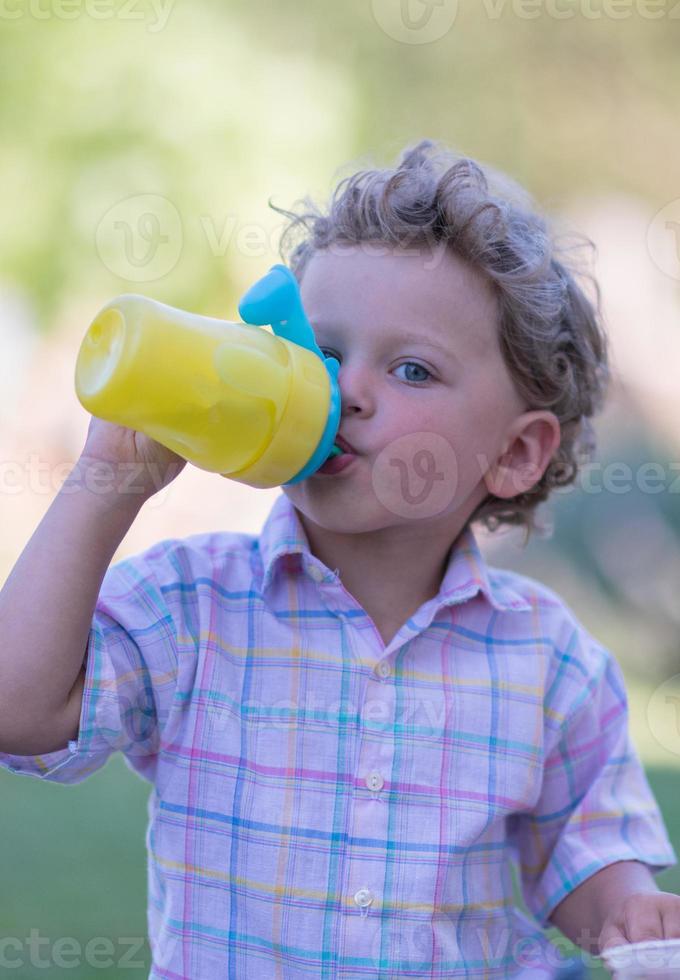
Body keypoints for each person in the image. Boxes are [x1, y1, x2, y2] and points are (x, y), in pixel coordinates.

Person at [0, 139, 678, 979]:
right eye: (321, 353)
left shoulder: (550, 661)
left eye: (410, 368)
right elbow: (16, 709)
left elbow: (589, 861)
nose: (346, 390)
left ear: (513, 454)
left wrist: (628, 909)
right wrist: (103, 486)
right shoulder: (192, 603)